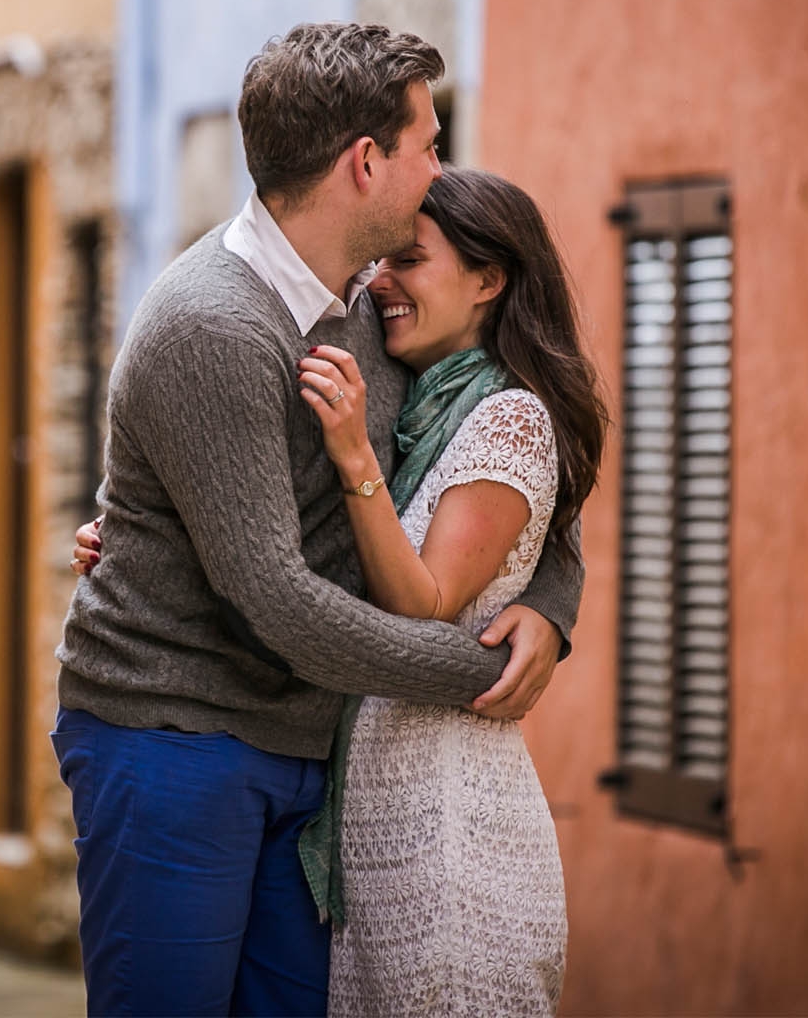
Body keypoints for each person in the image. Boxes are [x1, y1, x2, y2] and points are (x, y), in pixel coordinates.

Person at [51, 22, 584, 1016]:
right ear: (367, 161)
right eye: (429, 143)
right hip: (176, 736)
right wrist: (481, 672)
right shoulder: (214, 323)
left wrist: (553, 602)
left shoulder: (371, 299)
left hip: (305, 758)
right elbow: (282, 605)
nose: (439, 168)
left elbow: (510, 438)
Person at [296, 167, 607, 1015]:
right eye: (379, 261)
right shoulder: (422, 398)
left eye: (409, 260)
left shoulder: (508, 415)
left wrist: (356, 456)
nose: (381, 283)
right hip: (383, 817)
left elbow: (423, 602)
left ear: (487, 280)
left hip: (452, 830)